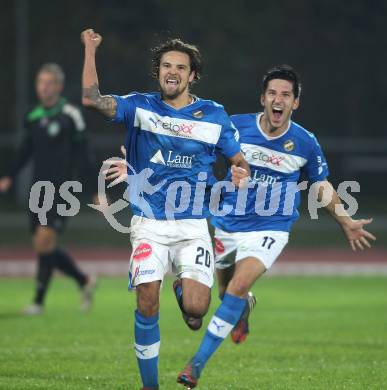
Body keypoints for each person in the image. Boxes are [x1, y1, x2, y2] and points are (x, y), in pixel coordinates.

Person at [176, 65, 376, 388]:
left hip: (271, 227)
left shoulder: (304, 143)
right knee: (225, 292)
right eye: (272, 93)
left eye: (285, 94)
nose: (278, 99)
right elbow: (197, 150)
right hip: (227, 223)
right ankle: (241, 308)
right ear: (263, 98)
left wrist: (345, 221)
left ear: (295, 103)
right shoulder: (236, 127)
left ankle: (196, 365)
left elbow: (320, 185)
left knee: (237, 287)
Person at [80, 29, 249, 390]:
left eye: (180, 67)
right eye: (166, 65)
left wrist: (239, 173)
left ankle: (184, 292)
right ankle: (149, 386)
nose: (172, 71)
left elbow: (239, 160)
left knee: (196, 311)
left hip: (192, 225)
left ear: (193, 75)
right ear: (158, 71)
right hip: (149, 223)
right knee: (146, 301)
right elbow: (91, 99)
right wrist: (90, 50)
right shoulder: (139, 106)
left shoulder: (214, 115)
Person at [0, 63, 98, 315]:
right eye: (40, 82)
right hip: (38, 190)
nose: (44, 87)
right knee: (43, 246)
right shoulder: (32, 116)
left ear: (59, 86)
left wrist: (94, 189)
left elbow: (83, 154)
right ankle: (83, 280)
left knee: (45, 240)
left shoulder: (70, 115)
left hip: (64, 190)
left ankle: (38, 302)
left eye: (49, 83)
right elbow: (25, 150)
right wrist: (9, 176)